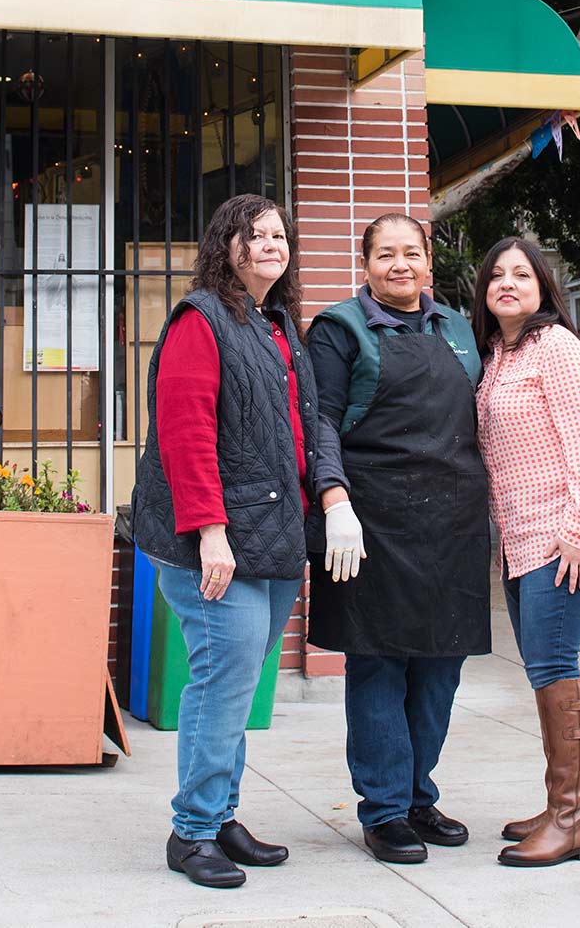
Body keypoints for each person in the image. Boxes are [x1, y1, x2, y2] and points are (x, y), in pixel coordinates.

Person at [129, 194, 363, 890]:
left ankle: (221, 814)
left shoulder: (278, 326)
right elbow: (186, 432)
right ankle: (193, 830)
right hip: (219, 539)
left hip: (276, 535)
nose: (270, 244)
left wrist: (328, 501)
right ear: (224, 244)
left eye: (278, 234)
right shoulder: (200, 320)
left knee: (237, 685)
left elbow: (308, 425)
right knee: (221, 682)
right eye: (253, 234)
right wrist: (209, 531)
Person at [307, 213, 491, 865]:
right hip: (373, 526)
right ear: (366, 266)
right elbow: (321, 421)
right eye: (385, 254)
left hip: (454, 528)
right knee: (380, 664)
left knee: (441, 665)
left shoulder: (459, 331)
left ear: (427, 263)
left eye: (410, 253)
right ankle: (384, 809)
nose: (399, 264)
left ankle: (418, 794)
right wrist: (336, 499)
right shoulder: (339, 329)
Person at [472, 236, 580, 869]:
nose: (507, 282)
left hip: (563, 535)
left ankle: (567, 822)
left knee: (552, 661)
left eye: (521, 274)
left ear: (542, 288)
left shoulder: (556, 348)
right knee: (549, 662)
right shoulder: (500, 355)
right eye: (496, 275)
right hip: (521, 536)